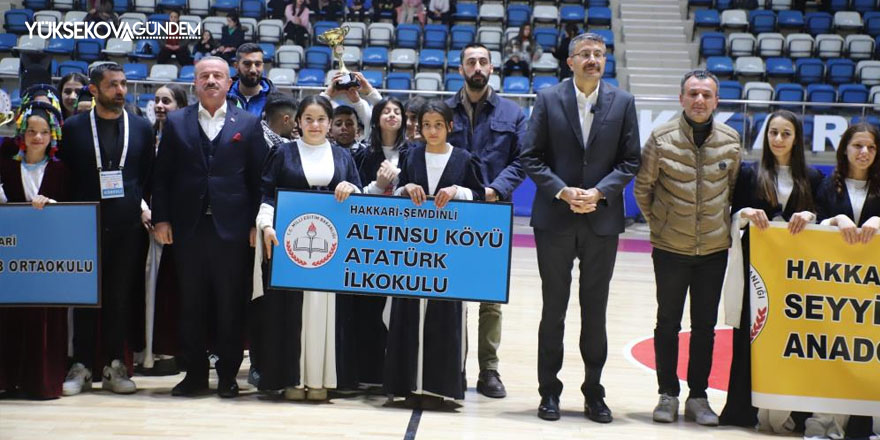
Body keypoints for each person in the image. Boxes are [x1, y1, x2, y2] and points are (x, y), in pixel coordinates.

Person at [521, 32, 641, 424]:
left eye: (599, 54)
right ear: (569, 61)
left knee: (595, 312)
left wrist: (599, 193)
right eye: (585, 54)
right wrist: (562, 192)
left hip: (601, 220)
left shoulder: (622, 102)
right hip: (555, 219)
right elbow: (531, 156)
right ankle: (549, 393)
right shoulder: (548, 98)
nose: (593, 59)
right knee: (553, 310)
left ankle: (594, 392)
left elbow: (629, 161)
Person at [151, 56, 268, 398]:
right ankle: (195, 375)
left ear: (229, 82)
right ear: (195, 84)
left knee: (230, 304)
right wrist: (161, 218)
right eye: (205, 76)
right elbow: (162, 177)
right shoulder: (175, 122)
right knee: (191, 304)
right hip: (187, 230)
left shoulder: (247, 123)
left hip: (233, 232)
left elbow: (258, 179)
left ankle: (228, 375)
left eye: (218, 75)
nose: (212, 80)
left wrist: (253, 225)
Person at [633, 70, 742, 426]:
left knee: (705, 326)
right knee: (667, 323)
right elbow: (642, 189)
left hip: (713, 250)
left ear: (716, 101)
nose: (699, 100)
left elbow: (733, 191)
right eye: (693, 93)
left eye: (706, 95)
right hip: (670, 249)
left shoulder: (731, 140)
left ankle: (698, 396)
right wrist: (661, 224)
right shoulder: (661, 139)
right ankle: (667, 394)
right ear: (681, 98)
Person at [719, 110, 822, 433]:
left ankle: (799, 414)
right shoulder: (750, 174)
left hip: (798, 277)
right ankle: (741, 410)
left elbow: (828, 219)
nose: (778, 139)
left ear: (797, 138)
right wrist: (744, 213)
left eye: (785, 133)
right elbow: (732, 216)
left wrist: (811, 216)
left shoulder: (814, 178)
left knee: (796, 341)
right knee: (752, 337)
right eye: (773, 132)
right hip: (757, 275)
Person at [254, 95, 362, 401]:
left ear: (329, 124)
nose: (315, 125)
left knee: (327, 312)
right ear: (297, 122)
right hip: (290, 250)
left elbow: (360, 194)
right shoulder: (282, 152)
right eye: (309, 119)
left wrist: (351, 189)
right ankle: (291, 378)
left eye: (321, 119)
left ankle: (322, 380)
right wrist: (266, 224)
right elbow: (267, 194)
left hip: (332, 253)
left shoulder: (343, 157)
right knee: (290, 314)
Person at [58, 63, 154, 396]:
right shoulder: (73, 128)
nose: (121, 90)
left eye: (124, 84)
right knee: (84, 296)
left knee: (119, 297)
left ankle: (116, 364)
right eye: (113, 85)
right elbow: (67, 176)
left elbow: (145, 176)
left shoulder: (142, 127)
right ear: (94, 90)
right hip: (84, 223)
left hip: (127, 226)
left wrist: (140, 208)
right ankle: (81, 365)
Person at [385, 99, 484, 409]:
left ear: (449, 127)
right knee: (408, 315)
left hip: (449, 254)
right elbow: (398, 192)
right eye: (426, 125)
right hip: (413, 252)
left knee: (446, 316)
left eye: (437, 125)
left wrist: (458, 192)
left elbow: (480, 197)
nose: (431, 131)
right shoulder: (411, 156)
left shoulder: (465, 159)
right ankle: (407, 385)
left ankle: (440, 386)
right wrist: (406, 188)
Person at [445, 43, 527, 399]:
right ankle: (452, 365)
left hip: (493, 211)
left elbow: (524, 160)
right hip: (450, 211)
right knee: (450, 293)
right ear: (460, 67)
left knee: (490, 298)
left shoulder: (514, 112)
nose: (477, 67)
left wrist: (494, 190)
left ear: (492, 68)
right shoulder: (444, 110)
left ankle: (488, 370)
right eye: (470, 61)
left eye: (483, 61)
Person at [812, 123, 880, 440]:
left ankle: (869, 427)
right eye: (858, 146)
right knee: (834, 356)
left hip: (874, 292)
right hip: (836, 291)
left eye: (871, 147)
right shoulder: (828, 186)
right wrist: (835, 220)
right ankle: (828, 426)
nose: (864, 152)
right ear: (845, 149)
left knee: (871, 358)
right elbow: (812, 226)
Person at [0, 102, 70, 399]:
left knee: (44, 318)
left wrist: (53, 207)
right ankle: (7, 379)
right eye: (31, 132)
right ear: (22, 134)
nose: (37, 138)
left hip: (48, 259)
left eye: (43, 132)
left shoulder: (61, 170)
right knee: (10, 318)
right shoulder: (6, 166)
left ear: (52, 135)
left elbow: (72, 213)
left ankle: (42, 381)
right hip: (13, 259)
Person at [349, 97, 407, 388]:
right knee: (368, 307)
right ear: (376, 118)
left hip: (404, 240)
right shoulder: (362, 154)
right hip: (369, 242)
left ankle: (396, 371)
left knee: (397, 309)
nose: (392, 115)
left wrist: (397, 185)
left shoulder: (414, 153)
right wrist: (378, 186)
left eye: (397, 111)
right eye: (386, 111)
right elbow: (355, 196)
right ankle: (368, 371)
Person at [139, 84, 189, 377]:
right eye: (156, 100)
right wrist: (143, 207)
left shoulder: (187, 138)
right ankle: (147, 351)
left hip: (177, 226)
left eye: (166, 101)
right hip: (145, 221)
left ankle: (173, 351)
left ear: (180, 106)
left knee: (173, 291)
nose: (159, 105)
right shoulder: (145, 136)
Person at [228, 43, 277, 118]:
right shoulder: (224, 96)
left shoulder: (275, 101)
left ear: (262, 66)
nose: (253, 70)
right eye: (247, 64)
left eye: (257, 64)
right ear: (236, 66)